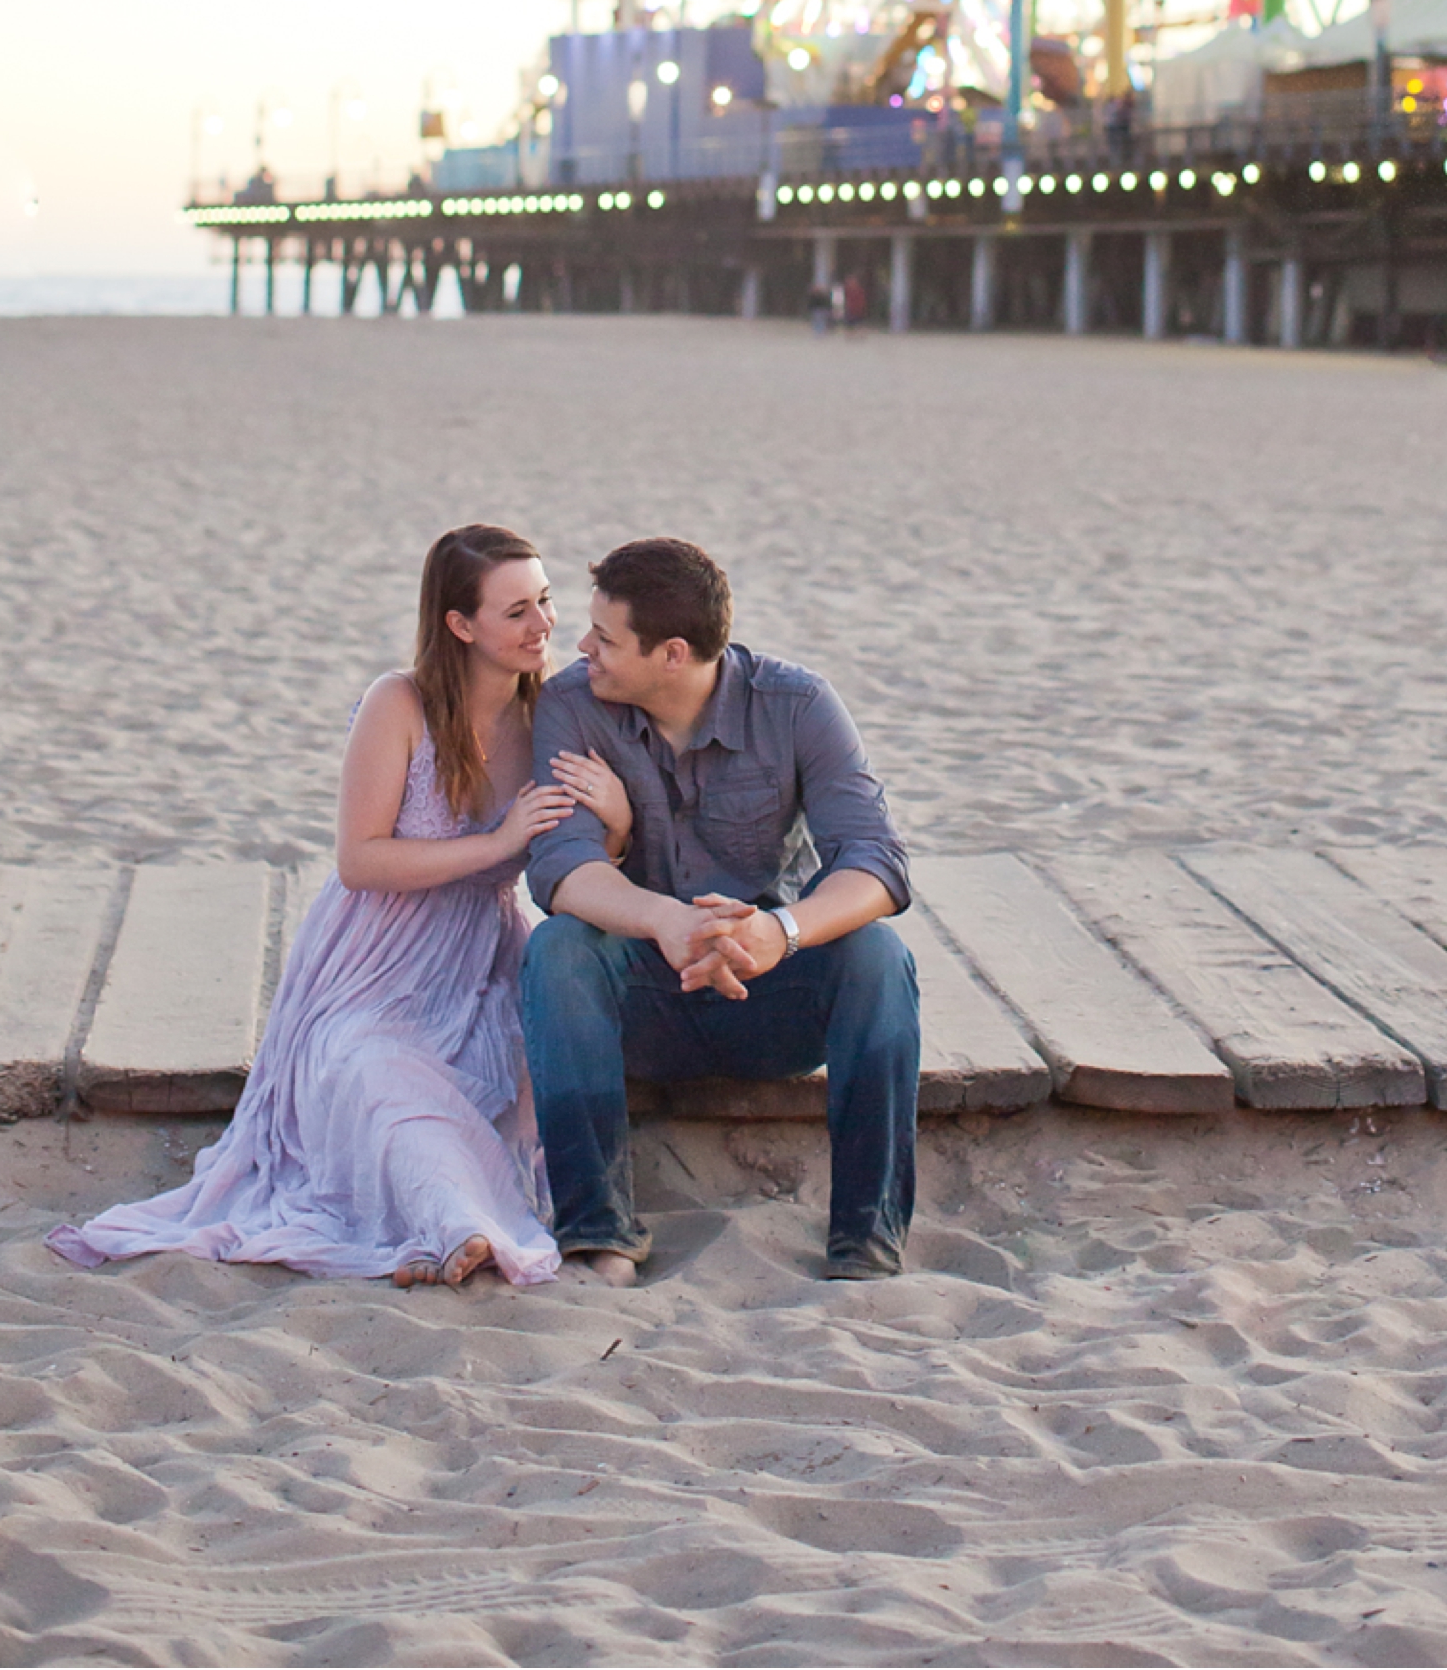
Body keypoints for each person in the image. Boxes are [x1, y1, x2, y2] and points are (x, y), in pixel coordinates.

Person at [48, 525, 631, 1290]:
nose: (544, 625)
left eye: (546, 602)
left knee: (516, 1089)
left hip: (484, 957)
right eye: (516, 610)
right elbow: (360, 860)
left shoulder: (549, 713)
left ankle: (464, 1220)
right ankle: (461, 1225)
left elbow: (584, 861)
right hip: (373, 960)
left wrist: (616, 820)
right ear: (460, 624)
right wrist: (498, 843)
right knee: (374, 1074)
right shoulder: (400, 703)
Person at [519, 537, 917, 1284]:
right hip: (643, 993)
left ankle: (865, 1240)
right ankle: (597, 1231)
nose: (581, 647)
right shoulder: (571, 705)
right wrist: (664, 920)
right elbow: (560, 867)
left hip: (767, 992)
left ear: (672, 653)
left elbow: (877, 860)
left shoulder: (797, 706)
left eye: (605, 637)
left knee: (879, 957)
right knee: (559, 949)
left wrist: (779, 930)